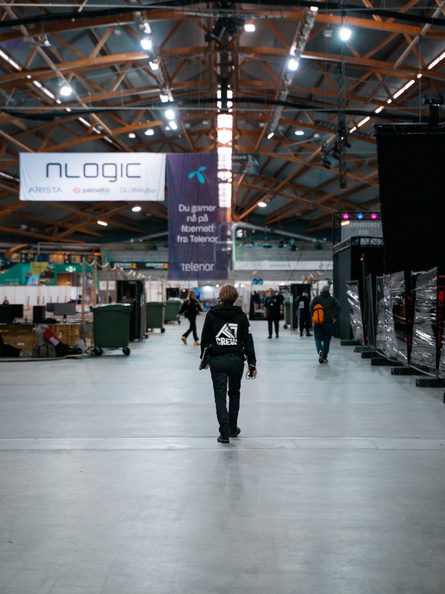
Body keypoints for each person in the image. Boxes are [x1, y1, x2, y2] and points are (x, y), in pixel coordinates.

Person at [200, 284, 257, 444]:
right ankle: (232, 428)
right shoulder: (241, 316)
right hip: (236, 361)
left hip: (218, 360)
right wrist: (252, 363)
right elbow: (248, 341)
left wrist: (205, 360)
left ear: (220, 297)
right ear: (235, 297)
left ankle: (224, 433)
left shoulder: (212, 314)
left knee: (220, 397)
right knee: (234, 394)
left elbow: (205, 339)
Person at [310, 285, 341, 363]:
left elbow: (311, 306)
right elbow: (339, 306)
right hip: (328, 322)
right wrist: (334, 316)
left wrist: (313, 315)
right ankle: (324, 357)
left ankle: (320, 350)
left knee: (317, 338)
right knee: (326, 340)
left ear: (321, 290)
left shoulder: (316, 298)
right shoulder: (332, 299)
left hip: (318, 321)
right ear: (328, 291)